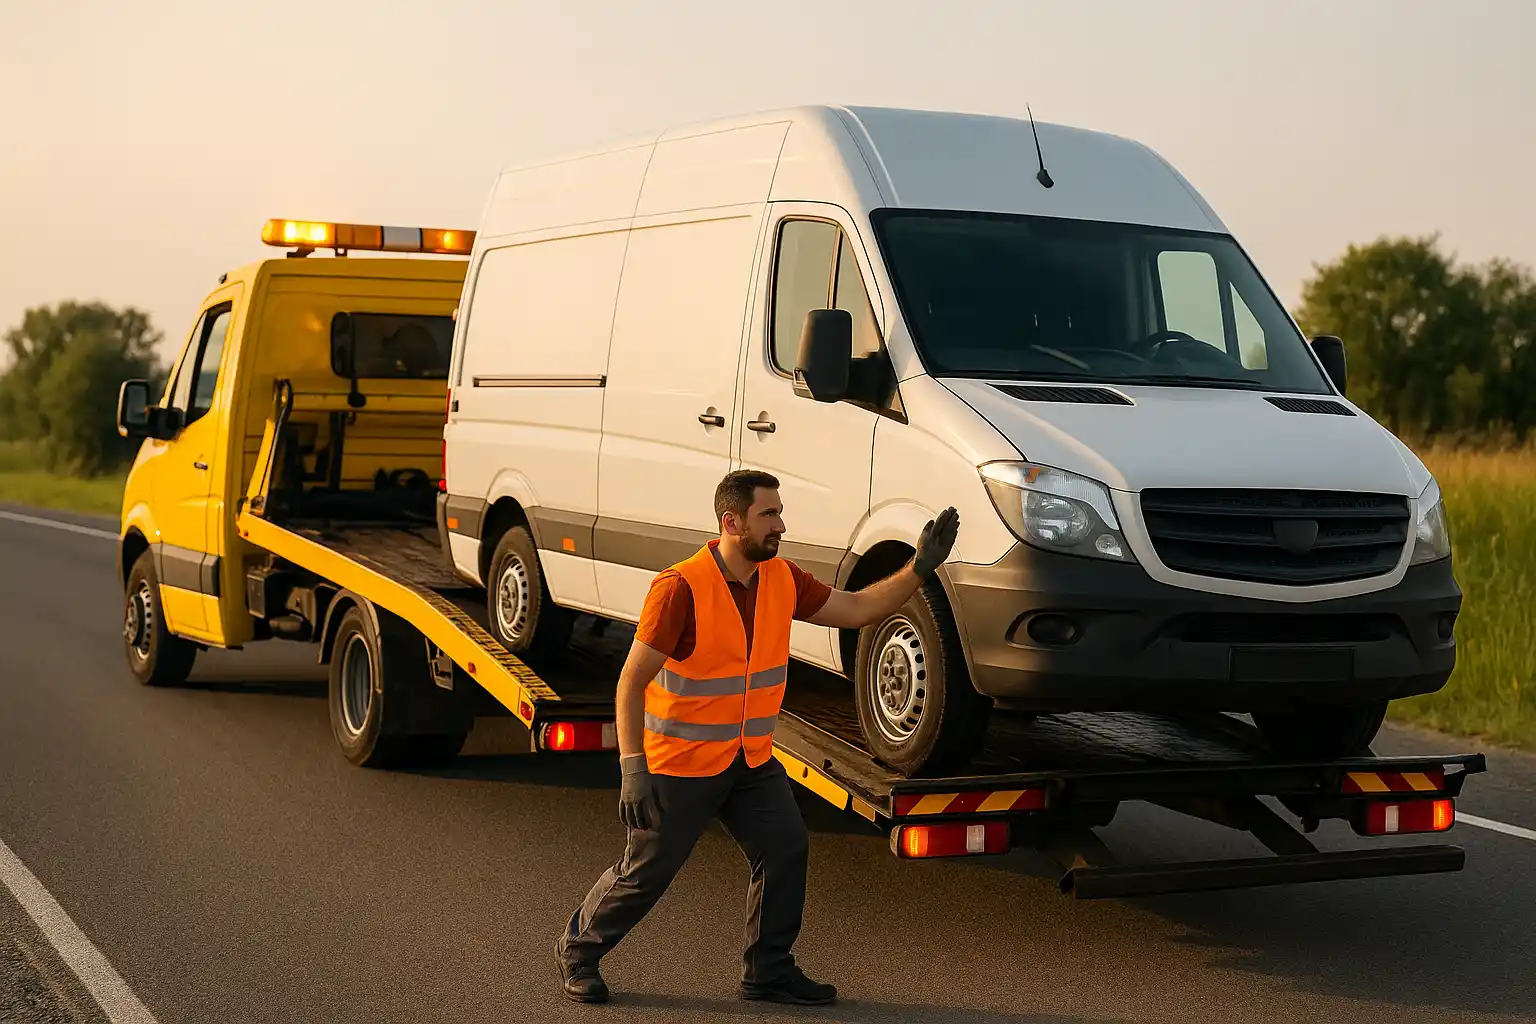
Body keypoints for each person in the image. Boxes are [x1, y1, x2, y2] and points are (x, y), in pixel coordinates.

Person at [555, 469, 960, 1005]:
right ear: (732, 522)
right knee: (647, 871)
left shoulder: (783, 579)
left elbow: (859, 608)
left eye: (779, 513)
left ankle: (767, 971)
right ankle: (579, 952)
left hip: (749, 760)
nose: (781, 525)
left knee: (785, 847)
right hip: (682, 764)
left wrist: (919, 569)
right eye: (769, 515)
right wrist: (633, 767)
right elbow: (631, 683)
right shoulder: (680, 589)